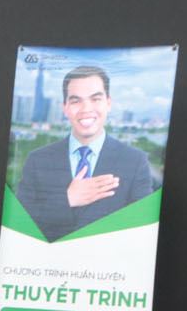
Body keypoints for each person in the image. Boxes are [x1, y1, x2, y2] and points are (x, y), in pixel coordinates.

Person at [15, 65, 158, 242]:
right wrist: (67, 199)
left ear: (108, 103)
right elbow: (20, 224)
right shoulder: (37, 160)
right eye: (76, 101)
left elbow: (142, 229)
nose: (86, 109)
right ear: (65, 107)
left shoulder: (135, 162)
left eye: (95, 99)